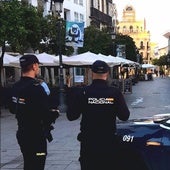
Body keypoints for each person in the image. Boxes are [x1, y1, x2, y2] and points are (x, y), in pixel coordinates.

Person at [66, 60, 130, 170]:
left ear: (92, 73)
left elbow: (71, 116)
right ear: (107, 73)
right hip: (109, 142)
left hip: (88, 143)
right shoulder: (114, 93)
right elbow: (124, 116)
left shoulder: (82, 92)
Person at [8, 54, 59, 170]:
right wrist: (55, 113)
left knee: (28, 162)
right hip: (36, 135)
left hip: (22, 132)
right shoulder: (36, 88)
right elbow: (45, 114)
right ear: (35, 66)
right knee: (37, 164)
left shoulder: (15, 87)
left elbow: (12, 109)